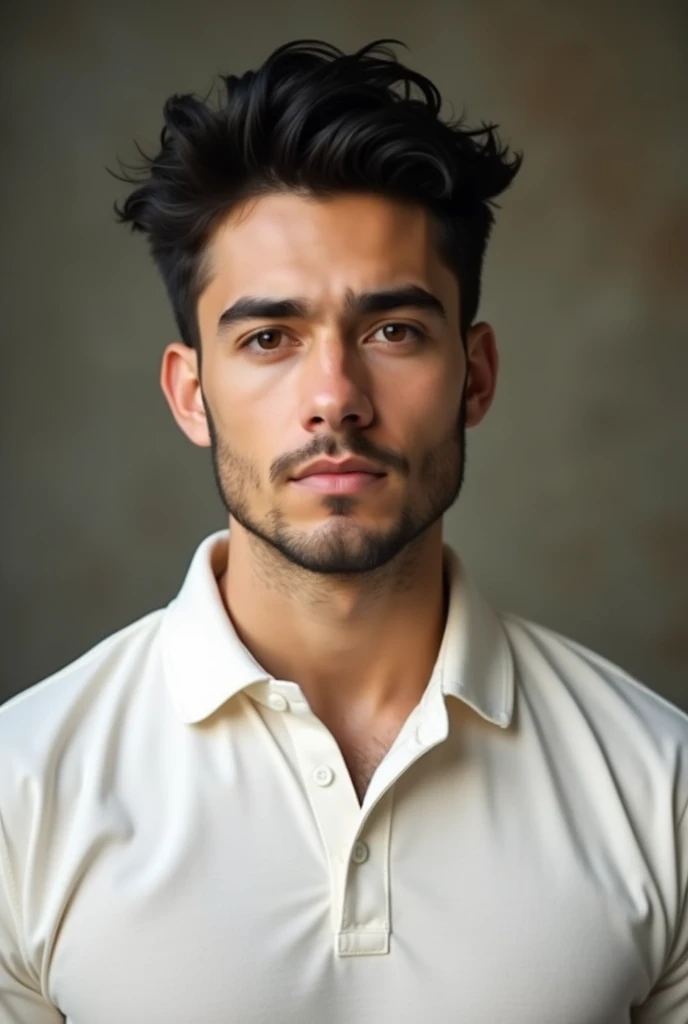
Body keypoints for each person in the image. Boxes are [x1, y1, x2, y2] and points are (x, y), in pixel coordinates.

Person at [0, 38, 685, 1024]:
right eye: (269, 338)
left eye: (392, 330)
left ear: (476, 375)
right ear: (192, 394)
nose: (335, 399)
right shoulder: (23, 790)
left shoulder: (660, 790)